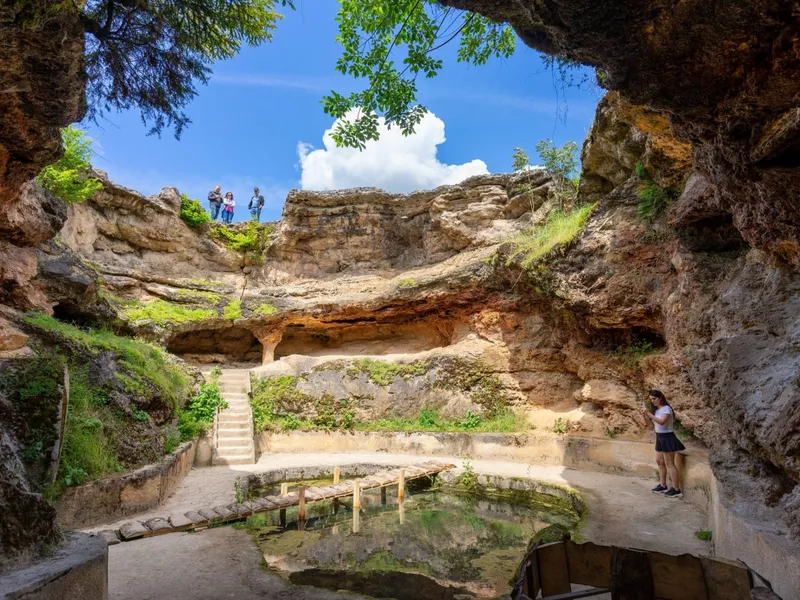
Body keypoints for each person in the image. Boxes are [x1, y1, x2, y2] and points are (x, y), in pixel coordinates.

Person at [641, 389, 686, 498]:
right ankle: (663, 485)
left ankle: (676, 489)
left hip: (667, 437)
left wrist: (649, 414)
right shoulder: (656, 410)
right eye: (651, 399)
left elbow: (662, 422)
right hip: (659, 437)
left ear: (660, 397)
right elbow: (651, 426)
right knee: (659, 461)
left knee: (670, 463)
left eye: (654, 399)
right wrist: (645, 415)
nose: (653, 401)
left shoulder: (666, 409)